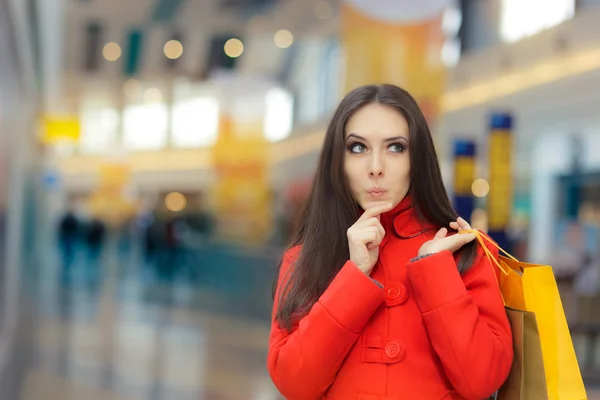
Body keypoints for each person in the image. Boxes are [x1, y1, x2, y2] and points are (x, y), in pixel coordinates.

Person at [267, 84, 513, 400]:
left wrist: (436, 270)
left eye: (395, 147)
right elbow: (294, 384)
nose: (376, 168)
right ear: (336, 160)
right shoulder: (305, 258)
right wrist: (354, 276)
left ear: (418, 158)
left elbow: (482, 380)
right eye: (358, 148)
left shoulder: (464, 251)